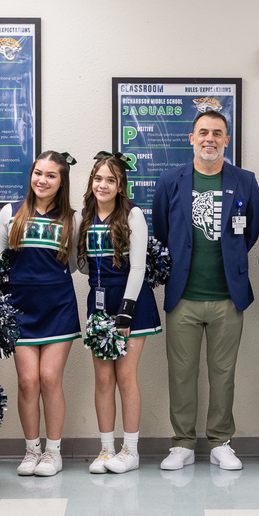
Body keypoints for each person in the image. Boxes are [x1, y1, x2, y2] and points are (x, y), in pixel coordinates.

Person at [152, 110, 259, 471]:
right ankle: (182, 443)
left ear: (227, 140)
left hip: (227, 296)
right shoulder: (171, 180)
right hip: (182, 295)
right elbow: (164, 231)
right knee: (180, 373)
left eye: (217, 133)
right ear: (191, 138)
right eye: (203, 132)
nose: (210, 138)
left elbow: (250, 233)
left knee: (223, 373)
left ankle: (220, 442)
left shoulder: (245, 181)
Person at [0, 151, 82, 477]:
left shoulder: (71, 218)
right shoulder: (9, 213)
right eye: (38, 173)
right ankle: (31, 450)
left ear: (62, 181)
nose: (42, 180)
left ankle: (53, 452)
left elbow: (72, 264)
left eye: (51, 175)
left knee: (48, 378)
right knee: (28, 381)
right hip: (20, 308)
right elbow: (0, 262)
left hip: (57, 307)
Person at [77, 153, 162, 474]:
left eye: (110, 180)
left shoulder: (133, 215)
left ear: (121, 185)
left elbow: (139, 267)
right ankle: (106, 450)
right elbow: (80, 263)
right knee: (103, 378)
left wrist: (125, 314)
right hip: (98, 303)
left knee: (125, 377)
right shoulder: (83, 217)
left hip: (132, 304)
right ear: (91, 182)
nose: (103, 185)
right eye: (98, 178)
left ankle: (131, 450)